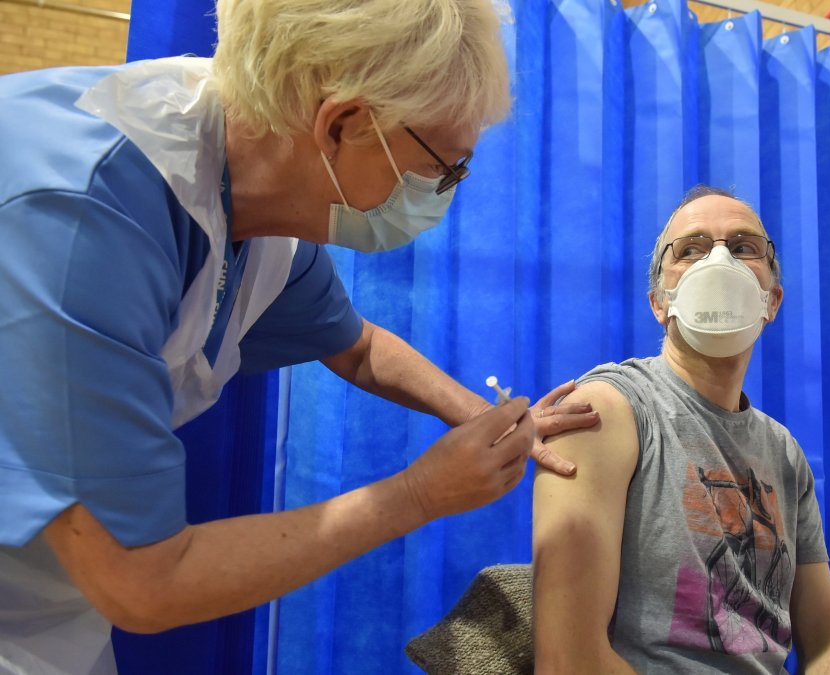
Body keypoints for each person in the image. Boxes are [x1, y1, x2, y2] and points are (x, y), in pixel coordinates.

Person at [0, 1, 597, 673]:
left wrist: (487, 418)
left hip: (54, 613)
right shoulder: (85, 218)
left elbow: (357, 345)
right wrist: (417, 493)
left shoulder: (251, 194)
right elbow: (141, 581)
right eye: (445, 167)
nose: (444, 192)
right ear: (341, 122)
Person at [531, 186, 830, 673]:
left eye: (744, 246)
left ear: (772, 301)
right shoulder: (604, 412)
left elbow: (829, 636)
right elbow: (569, 661)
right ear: (659, 303)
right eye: (691, 250)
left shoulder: (783, 452)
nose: (719, 261)